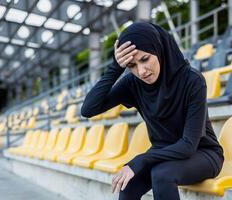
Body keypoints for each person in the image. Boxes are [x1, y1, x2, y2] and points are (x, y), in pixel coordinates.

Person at [81, 22, 224, 200]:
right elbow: (88, 109)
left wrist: (139, 161)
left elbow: (188, 146)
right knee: (128, 185)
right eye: (131, 65)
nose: (141, 71)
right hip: (162, 153)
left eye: (144, 59)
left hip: (202, 153)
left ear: (159, 49)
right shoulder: (133, 84)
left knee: (162, 174)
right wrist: (116, 67)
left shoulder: (192, 80)